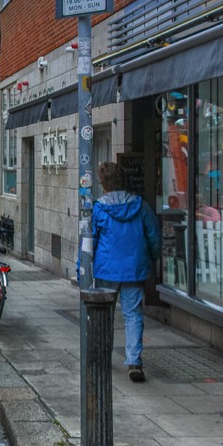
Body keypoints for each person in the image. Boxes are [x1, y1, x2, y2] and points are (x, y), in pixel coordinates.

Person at [90, 162, 160, 383]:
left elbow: (90, 240)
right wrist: (152, 258)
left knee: (105, 315)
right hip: (134, 268)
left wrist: (82, 268)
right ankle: (133, 361)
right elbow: (154, 237)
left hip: (106, 270)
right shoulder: (140, 206)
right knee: (132, 314)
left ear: (103, 184)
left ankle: (103, 356)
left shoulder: (99, 209)